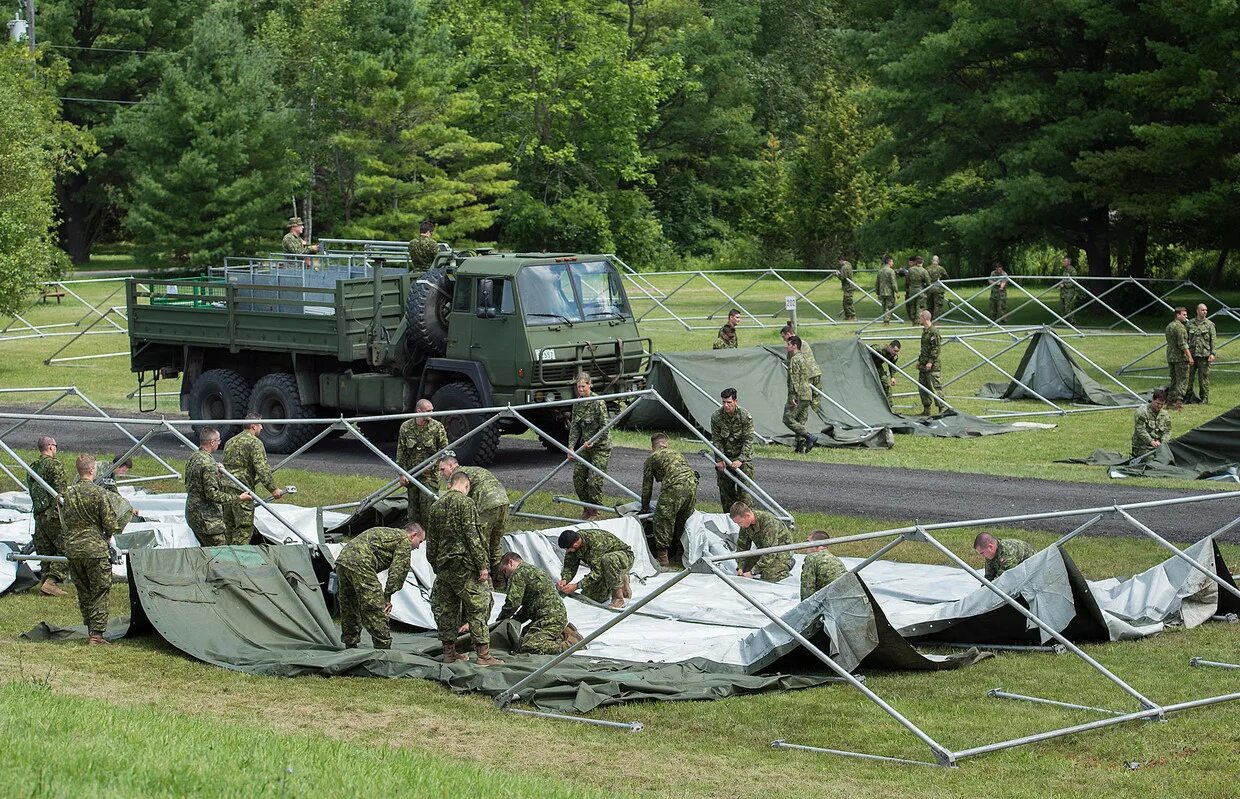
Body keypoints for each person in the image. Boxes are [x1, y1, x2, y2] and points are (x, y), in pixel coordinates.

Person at [427, 471, 499, 665]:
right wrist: (482, 565)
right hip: (464, 566)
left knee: (447, 609)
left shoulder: (436, 506)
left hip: (444, 566)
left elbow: (431, 540)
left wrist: (435, 563)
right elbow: (473, 536)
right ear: (466, 486)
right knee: (478, 605)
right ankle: (483, 655)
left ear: (450, 484)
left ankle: (449, 653)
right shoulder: (466, 504)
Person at [60, 455, 133, 646]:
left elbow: (64, 521)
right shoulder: (99, 493)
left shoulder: (68, 494)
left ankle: (89, 628)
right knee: (99, 591)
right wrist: (109, 533)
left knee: (83, 591)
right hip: (95, 549)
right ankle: (96, 635)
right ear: (92, 470)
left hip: (74, 549)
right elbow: (110, 523)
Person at [336, 523, 424, 650]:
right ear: (413, 535)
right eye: (419, 542)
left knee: (349, 604)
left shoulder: (389, 532)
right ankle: (383, 647)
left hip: (342, 560)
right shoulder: (404, 540)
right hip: (361, 563)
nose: (418, 547)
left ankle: (350, 643)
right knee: (375, 607)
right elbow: (398, 571)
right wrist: (387, 597)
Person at [438, 456, 508, 586]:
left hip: (486, 504)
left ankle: (487, 583)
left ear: (451, 466)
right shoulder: (474, 470)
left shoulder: (459, 476)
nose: (442, 474)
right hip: (503, 501)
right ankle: (500, 581)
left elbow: (460, 501)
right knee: (496, 543)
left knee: (481, 543)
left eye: (443, 469)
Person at [497, 552, 582, 654]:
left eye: (505, 571)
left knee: (529, 646)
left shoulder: (519, 573)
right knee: (523, 637)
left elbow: (512, 603)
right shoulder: (532, 570)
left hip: (549, 618)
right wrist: (515, 620)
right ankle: (564, 632)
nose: (506, 575)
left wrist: (500, 620)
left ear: (511, 562)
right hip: (552, 615)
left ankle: (571, 644)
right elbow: (529, 606)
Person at [221, 414, 284, 546]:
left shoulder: (230, 442)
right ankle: (238, 557)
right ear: (253, 426)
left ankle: (225, 556)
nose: (261, 428)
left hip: (225, 488)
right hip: (242, 489)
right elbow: (262, 469)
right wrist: (273, 489)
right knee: (243, 528)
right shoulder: (255, 443)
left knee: (229, 526)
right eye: (260, 425)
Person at [639, 433, 699, 566]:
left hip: (674, 486)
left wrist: (644, 508)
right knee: (682, 519)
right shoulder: (677, 453)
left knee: (662, 519)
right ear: (666, 445)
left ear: (653, 448)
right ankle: (679, 554)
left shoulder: (652, 458)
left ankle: (662, 556)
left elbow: (647, 488)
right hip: (692, 485)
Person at [185, 427, 249, 548]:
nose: (219, 443)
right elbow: (212, 495)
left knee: (206, 551)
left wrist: (216, 475)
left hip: (193, 515)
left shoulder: (194, 457)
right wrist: (238, 498)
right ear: (212, 442)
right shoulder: (208, 464)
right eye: (219, 441)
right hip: (207, 520)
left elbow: (195, 482)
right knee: (221, 553)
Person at [396, 399, 449, 526]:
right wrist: (401, 474)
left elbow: (445, 452)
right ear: (418, 411)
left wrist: (434, 466)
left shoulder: (437, 427)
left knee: (429, 510)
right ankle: (415, 537)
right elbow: (401, 453)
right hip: (411, 477)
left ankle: (429, 538)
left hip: (430, 478)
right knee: (413, 511)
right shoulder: (406, 427)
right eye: (428, 411)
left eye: (432, 410)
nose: (432, 413)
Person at [28, 435, 69, 596]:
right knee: (67, 546)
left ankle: (45, 582)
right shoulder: (54, 465)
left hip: (38, 514)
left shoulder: (33, 466)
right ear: (51, 447)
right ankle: (52, 581)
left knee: (45, 549)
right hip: (53, 514)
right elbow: (61, 491)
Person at [568, 374, 611, 520]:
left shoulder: (598, 402)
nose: (580, 389)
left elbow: (605, 427)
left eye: (583, 386)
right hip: (585, 447)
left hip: (600, 447)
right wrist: (571, 448)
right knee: (578, 477)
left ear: (590, 385)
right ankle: (587, 508)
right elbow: (575, 427)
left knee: (594, 480)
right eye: (578, 387)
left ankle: (596, 511)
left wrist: (594, 440)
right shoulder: (577, 403)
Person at [557, 527, 634, 609]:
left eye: (567, 549)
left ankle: (618, 597)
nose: (567, 551)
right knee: (593, 596)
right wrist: (564, 580)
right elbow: (569, 566)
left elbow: (598, 572)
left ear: (575, 545)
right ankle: (620, 577)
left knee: (608, 559)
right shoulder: (573, 544)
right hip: (605, 568)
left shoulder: (595, 541)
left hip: (623, 558)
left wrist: (577, 586)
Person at [710, 388, 755, 512]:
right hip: (725, 458)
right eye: (724, 402)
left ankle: (747, 520)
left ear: (735, 401)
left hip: (743, 459)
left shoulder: (745, 416)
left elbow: (748, 440)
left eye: (729, 402)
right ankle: (729, 520)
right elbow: (717, 440)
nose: (726, 405)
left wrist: (740, 460)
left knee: (744, 493)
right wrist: (719, 459)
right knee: (726, 492)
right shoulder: (716, 417)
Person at [730, 502, 794, 583]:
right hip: (764, 549)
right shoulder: (745, 525)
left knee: (769, 576)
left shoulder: (769, 522)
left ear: (748, 516)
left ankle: (787, 564)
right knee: (745, 569)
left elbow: (770, 552)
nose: (739, 525)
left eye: (739, 522)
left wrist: (752, 572)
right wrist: (740, 567)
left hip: (781, 551)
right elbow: (742, 546)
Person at [783, 336, 818, 453]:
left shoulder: (795, 359)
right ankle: (800, 447)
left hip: (799, 394)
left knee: (788, 418)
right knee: (800, 420)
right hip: (807, 393)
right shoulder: (803, 358)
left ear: (794, 346)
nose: (786, 346)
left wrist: (793, 396)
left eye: (788, 344)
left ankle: (809, 437)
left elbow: (794, 379)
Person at [916, 310, 947, 417]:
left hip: (932, 366)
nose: (919, 319)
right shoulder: (925, 331)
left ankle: (942, 409)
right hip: (923, 365)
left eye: (920, 318)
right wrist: (920, 361)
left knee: (935, 387)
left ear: (924, 318)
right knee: (923, 387)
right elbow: (924, 349)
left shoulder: (933, 332)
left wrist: (930, 362)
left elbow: (936, 349)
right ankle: (926, 410)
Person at [800, 530, 847, 599]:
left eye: (808, 542)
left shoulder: (812, 558)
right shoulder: (834, 558)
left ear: (818, 545)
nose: (806, 547)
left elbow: (807, 589)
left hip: (834, 599)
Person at [1186, 303, 1217, 404]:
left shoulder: (1209, 325)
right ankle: (1188, 396)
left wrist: (1213, 353)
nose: (1205, 312)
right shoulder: (1190, 324)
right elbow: (1185, 339)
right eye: (1203, 310)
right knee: (1188, 377)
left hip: (1204, 356)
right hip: (1192, 355)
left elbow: (1213, 340)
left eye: (1206, 310)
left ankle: (1204, 398)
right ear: (1197, 311)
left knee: (1203, 378)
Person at [1165, 306, 1193, 409]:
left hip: (1171, 356)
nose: (1186, 317)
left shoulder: (1169, 326)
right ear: (1178, 315)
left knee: (1174, 379)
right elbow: (1183, 344)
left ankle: (1170, 401)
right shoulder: (1180, 328)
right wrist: (1189, 357)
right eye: (1184, 315)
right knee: (1182, 379)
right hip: (1180, 358)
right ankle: (1178, 402)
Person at [1132, 389, 1171, 458]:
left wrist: (1163, 442)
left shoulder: (1165, 414)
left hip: (1159, 447)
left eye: (1162, 404)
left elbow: (1167, 431)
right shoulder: (1142, 412)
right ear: (1152, 399)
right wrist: (1151, 441)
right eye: (1157, 403)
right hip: (1143, 447)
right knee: (1152, 461)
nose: (1159, 406)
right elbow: (1140, 429)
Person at [905, 256, 930, 320]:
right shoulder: (924, 271)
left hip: (912, 290)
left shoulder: (910, 270)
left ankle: (913, 320)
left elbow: (907, 281)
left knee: (912, 306)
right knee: (920, 306)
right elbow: (928, 283)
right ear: (922, 262)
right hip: (920, 290)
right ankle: (919, 320)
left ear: (915, 262)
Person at [876, 255, 898, 325]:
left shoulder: (880, 271)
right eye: (892, 261)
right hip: (889, 292)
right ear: (888, 262)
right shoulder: (891, 271)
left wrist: (877, 292)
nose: (893, 263)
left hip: (882, 292)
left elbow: (877, 283)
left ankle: (885, 320)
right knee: (889, 306)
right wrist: (896, 292)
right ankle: (886, 321)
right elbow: (893, 283)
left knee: (884, 307)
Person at [926, 255, 948, 319]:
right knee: (937, 304)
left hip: (929, 288)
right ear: (938, 261)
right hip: (938, 288)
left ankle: (928, 318)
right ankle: (936, 318)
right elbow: (946, 277)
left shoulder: (927, 268)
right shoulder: (941, 268)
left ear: (931, 261)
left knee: (929, 304)